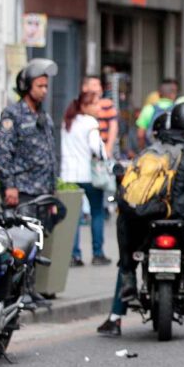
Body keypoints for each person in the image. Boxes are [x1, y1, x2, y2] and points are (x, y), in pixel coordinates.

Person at [101, 102, 184, 335]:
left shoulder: (149, 153)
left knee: (128, 238)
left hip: (149, 216)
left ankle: (128, 281)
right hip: (182, 218)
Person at [0, 60, 59, 209]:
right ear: (26, 86)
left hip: (43, 193)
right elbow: (4, 152)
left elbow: (50, 155)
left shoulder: (44, 116)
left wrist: (53, 192)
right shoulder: (12, 114)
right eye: (40, 86)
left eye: (46, 86)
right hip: (22, 192)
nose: (44, 90)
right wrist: (9, 186)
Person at [62, 90, 111, 267]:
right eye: (95, 104)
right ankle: (98, 253)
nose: (98, 108)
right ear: (84, 106)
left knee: (74, 216)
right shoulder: (90, 123)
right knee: (97, 212)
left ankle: (75, 255)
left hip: (69, 175)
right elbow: (96, 148)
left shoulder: (67, 122)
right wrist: (105, 157)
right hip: (89, 175)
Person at [135, 79, 178, 149]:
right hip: (173, 154)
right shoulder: (178, 110)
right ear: (173, 94)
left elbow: (140, 134)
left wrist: (142, 150)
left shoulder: (148, 109)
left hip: (152, 152)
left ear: (159, 94)